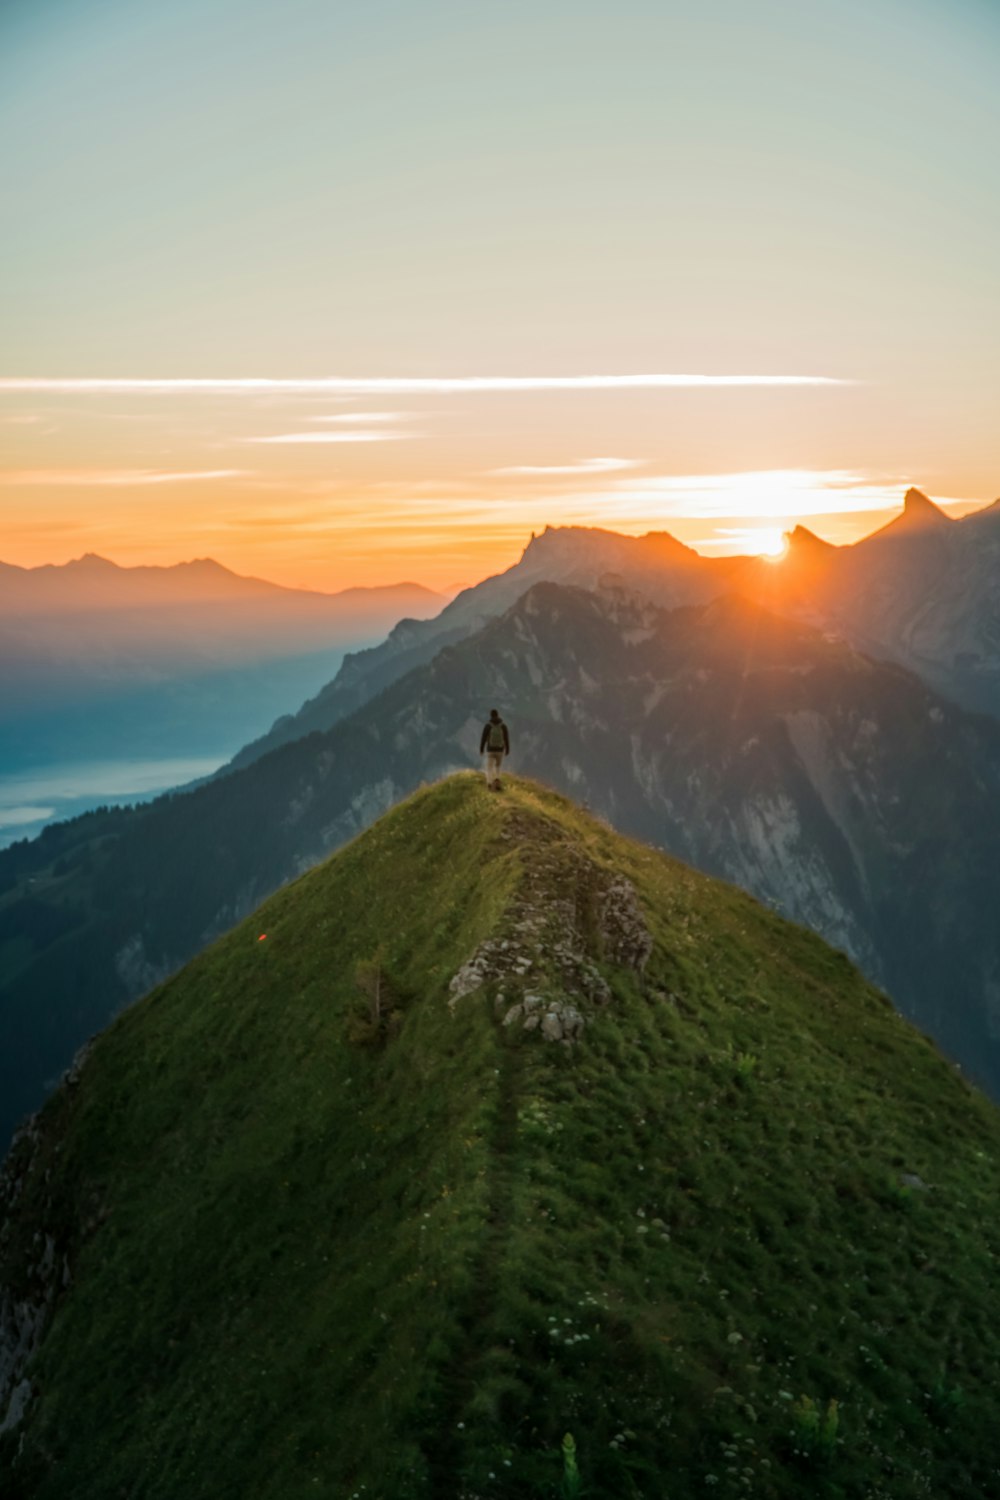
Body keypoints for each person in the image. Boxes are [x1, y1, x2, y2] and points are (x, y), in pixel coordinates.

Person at [479, 707, 510, 790]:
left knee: (489, 767)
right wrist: (507, 749)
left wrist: (481, 749)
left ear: (491, 715)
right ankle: (497, 780)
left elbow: (483, 738)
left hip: (490, 749)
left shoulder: (488, 726)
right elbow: (506, 738)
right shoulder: (503, 726)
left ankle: (489, 783)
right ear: (498, 715)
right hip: (500, 749)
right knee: (498, 766)